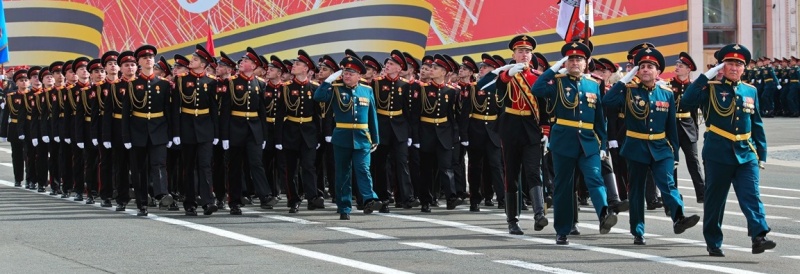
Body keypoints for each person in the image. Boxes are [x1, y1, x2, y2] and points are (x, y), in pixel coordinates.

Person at [682, 43, 775, 257]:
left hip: (745, 152)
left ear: (744, 68)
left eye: (739, 65)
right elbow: (686, 103)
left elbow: (756, 123)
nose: (734, 68)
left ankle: (759, 236)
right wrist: (706, 77)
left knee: (751, 196)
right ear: (722, 67)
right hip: (718, 153)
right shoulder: (710, 87)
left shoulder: (750, 90)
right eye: (730, 64)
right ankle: (713, 241)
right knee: (716, 200)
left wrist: (762, 153)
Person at [603, 46, 700, 245]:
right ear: (637, 71)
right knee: (637, 191)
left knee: (668, 184)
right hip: (636, 147)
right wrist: (624, 79)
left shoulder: (666, 93)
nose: (646, 70)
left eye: (650, 67)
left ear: (658, 72)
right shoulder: (628, 91)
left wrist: (674, 155)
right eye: (642, 67)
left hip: (661, 147)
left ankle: (679, 217)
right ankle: (638, 230)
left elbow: (671, 126)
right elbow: (607, 101)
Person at [530, 41, 616, 245]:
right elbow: (537, 89)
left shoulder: (594, 85)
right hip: (563, 141)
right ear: (565, 63)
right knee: (563, 186)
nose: (575, 62)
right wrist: (553, 69)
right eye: (570, 59)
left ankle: (604, 214)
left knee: (595, 178)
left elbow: (600, 119)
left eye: (579, 59)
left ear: (586, 64)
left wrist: (603, 146)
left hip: (588, 141)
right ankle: (562, 229)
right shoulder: (557, 82)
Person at [476, 35, 550, 234]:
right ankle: (512, 220)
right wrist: (506, 75)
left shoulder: (537, 76)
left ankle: (538, 214)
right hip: (510, 127)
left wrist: (545, 129)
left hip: (531, 127)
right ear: (513, 55)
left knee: (534, 171)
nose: (524, 54)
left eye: (527, 51)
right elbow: (484, 88)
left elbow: (544, 106)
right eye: (520, 51)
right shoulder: (503, 74)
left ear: (531, 55)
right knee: (512, 174)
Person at [313, 56, 383, 219]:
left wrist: (376, 138)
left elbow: (372, 115)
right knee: (343, 173)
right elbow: (318, 97)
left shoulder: (367, 90)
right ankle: (344, 207)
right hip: (342, 138)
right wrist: (329, 80)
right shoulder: (336, 88)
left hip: (362, 137)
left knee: (363, 169)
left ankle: (369, 199)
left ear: (359, 76)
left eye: (351, 73)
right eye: (344, 72)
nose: (347, 76)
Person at [220, 47, 279, 214]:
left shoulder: (260, 84)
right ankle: (234, 201)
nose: (242, 63)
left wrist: (264, 135)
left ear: (253, 66)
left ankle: (265, 196)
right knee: (235, 167)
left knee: (256, 163)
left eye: (246, 61)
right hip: (235, 128)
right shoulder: (231, 83)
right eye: (242, 60)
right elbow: (225, 112)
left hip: (254, 129)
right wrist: (224, 136)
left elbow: (262, 112)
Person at [121, 45, 173, 217]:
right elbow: (126, 113)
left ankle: (161, 194)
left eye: (151, 57)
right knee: (140, 169)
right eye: (144, 58)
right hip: (138, 131)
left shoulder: (164, 84)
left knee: (159, 163)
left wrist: (171, 134)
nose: (148, 60)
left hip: (159, 129)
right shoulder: (132, 85)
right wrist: (126, 136)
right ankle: (142, 202)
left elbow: (169, 111)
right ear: (139, 62)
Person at [172, 44, 222, 216]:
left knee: (205, 165)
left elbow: (215, 109)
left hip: (206, 128)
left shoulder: (211, 81)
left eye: (194, 60)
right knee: (189, 166)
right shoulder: (181, 80)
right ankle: (190, 202)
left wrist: (216, 133)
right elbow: (176, 108)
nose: (191, 62)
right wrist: (176, 133)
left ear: (203, 64)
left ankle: (208, 201)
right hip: (187, 127)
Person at [410, 54, 462, 212]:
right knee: (426, 169)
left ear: (444, 72)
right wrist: (416, 137)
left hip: (444, 133)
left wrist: (455, 136)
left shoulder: (452, 91)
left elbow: (455, 116)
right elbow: (415, 115)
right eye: (431, 68)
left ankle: (451, 197)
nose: (432, 70)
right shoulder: (422, 88)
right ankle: (425, 200)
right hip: (426, 132)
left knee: (446, 167)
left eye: (436, 68)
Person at [275, 49, 323, 213]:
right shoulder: (286, 88)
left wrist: (319, 136)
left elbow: (318, 115)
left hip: (309, 132)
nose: (293, 66)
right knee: (291, 169)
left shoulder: (314, 88)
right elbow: (280, 114)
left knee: (309, 166)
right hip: (291, 132)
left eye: (297, 64)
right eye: (294, 64)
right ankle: (293, 199)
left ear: (306, 69)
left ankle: (312, 197)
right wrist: (278, 139)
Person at [369, 49, 415, 212]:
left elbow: (409, 112)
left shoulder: (405, 85)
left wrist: (410, 134)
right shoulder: (377, 83)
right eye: (387, 63)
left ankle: (406, 197)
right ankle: (383, 197)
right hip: (381, 127)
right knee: (380, 164)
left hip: (400, 128)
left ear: (399, 68)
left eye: (391, 64)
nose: (387, 66)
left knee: (402, 163)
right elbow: (372, 108)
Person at [460, 54, 504, 213]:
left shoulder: (499, 89)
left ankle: (501, 198)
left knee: (496, 166)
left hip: (493, 132)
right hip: (476, 131)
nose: (482, 70)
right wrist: (464, 136)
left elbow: (502, 114)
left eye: (486, 68)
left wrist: (502, 134)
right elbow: (465, 114)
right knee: (475, 167)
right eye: (482, 68)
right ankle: (475, 199)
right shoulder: (473, 88)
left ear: (494, 71)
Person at [669, 52, 705, 203]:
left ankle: (702, 194)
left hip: (688, 128)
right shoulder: (669, 85)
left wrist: (695, 132)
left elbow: (696, 113)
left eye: (681, 66)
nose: (677, 68)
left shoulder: (693, 87)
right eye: (677, 65)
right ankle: (674, 195)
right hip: (672, 128)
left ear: (688, 70)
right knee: (672, 163)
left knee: (693, 161)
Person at [104, 51, 135, 211]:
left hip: (138, 129)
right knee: (121, 165)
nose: (130, 68)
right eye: (126, 65)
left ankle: (143, 197)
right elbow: (108, 112)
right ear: (121, 68)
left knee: (139, 166)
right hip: (118, 129)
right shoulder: (115, 87)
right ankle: (122, 198)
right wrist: (107, 135)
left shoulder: (141, 84)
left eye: (132, 64)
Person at [0, 69, 30, 187]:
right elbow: (5, 116)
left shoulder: (33, 96)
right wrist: (3, 133)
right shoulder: (11, 97)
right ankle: (18, 178)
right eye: (21, 80)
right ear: (16, 83)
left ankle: (30, 178)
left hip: (28, 128)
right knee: (16, 155)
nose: (24, 82)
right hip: (14, 127)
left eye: (26, 80)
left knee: (29, 155)